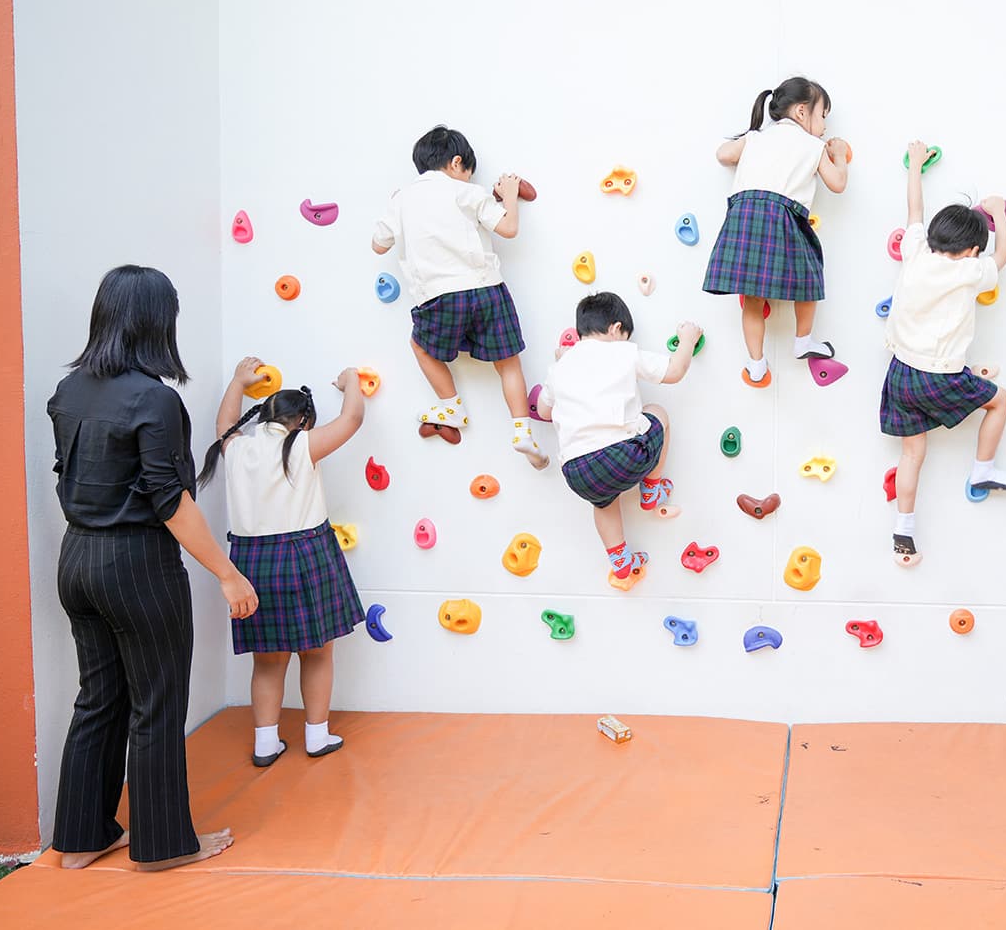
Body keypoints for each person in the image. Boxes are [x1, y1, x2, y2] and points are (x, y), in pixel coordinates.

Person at [46, 266, 257, 870]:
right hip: (137, 566)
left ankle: (81, 840)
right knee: (156, 703)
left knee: (98, 700)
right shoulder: (155, 398)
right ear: (155, 322)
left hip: (77, 559)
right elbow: (170, 500)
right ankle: (162, 846)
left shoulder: (69, 390)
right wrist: (227, 573)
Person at [198, 358, 367, 766]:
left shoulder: (237, 447)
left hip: (252, 561)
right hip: (306, 553)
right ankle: (317, 735)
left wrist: (238, 381)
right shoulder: (303, 444)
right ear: (302, 422)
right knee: (318, 652)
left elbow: (225, 422)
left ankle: (265, 743)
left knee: (268, 660)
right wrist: (351, 381)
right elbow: (353, 418)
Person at [371, 124, 547, 468]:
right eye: (468, 171)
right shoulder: (468, 192)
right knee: (508, 362)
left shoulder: (401, 200)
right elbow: (509, 228)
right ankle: (522, 431)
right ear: (456, 163)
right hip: (485, 288)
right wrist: (510, 195)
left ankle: (450, 406)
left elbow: (378, 245)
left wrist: (395, 208)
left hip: (438, 297)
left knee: (420, 346)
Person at [880, 141, 1006, 566]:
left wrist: (916, 166)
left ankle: (903, 531)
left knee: (912, 454)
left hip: (900, 372)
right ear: (973, 250)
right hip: (938, 375)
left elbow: (914, 210)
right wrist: (996, 213)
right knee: (1001, 401)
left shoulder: (915, 251)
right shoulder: (970, 271)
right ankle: (983, 468)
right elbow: (1004, 255)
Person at [536, 292, 700, 589]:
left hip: (577, 472)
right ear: (615, 329)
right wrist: (687, 340)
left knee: (603, 503)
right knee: (658, 413)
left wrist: (562, 365)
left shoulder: (559, 368)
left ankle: (620, 559)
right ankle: (651, 489)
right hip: (623, 456)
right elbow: (675, 371)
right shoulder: (623, 352)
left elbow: (544, 411)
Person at [703, 76, 849, 387]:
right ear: (801, 112)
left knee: (752, 298)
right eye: (823, 115)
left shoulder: (756, 138)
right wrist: (837, 154)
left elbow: (723, 155)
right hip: (783, 216)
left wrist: (749, 140)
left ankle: (756, 363)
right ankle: (803, 339)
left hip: (744, 216)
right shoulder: (814, 146)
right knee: (809, 280)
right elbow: (837, 183)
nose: (824, 126)